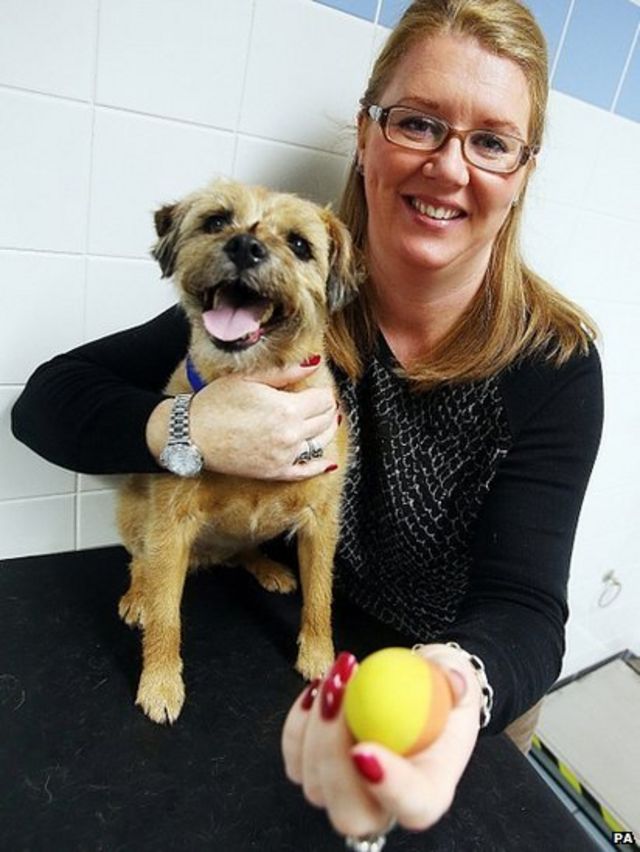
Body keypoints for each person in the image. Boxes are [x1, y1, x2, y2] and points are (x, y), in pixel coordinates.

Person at [12, 0, 602, 846]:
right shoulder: (269, 301)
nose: (449, 166)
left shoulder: (554, 363)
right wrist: (188, 429)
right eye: (418, 123)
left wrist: (455, 686)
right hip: (302, 649)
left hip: (466, 694)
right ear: (366, 136)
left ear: (521, 172)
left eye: (492, 141)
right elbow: (49, 400)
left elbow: (527, 609)